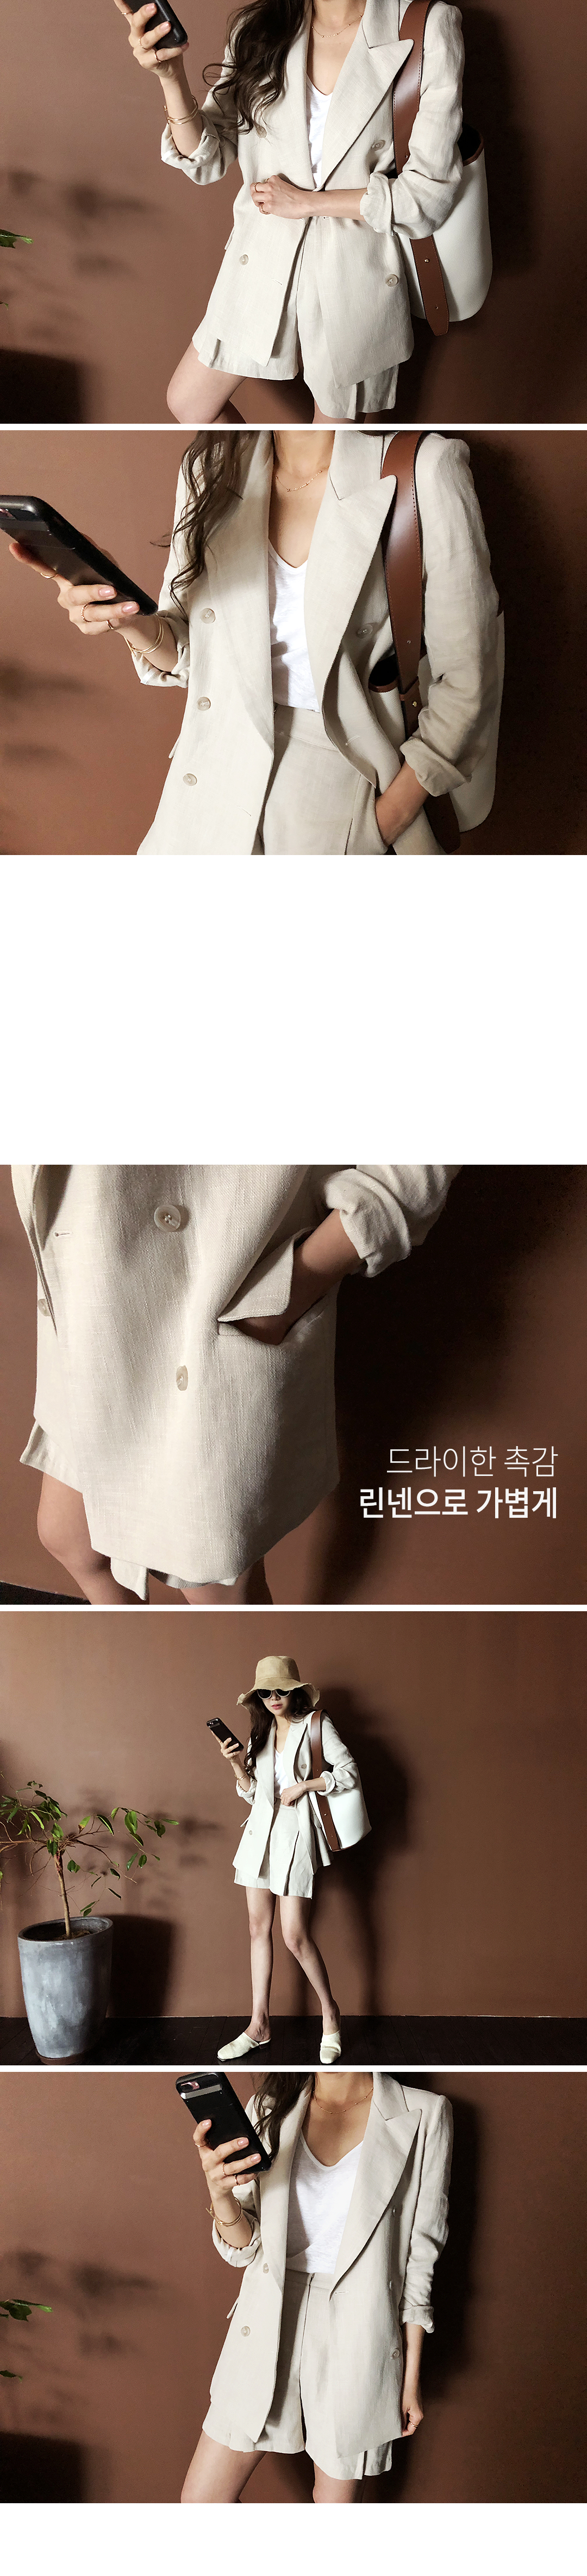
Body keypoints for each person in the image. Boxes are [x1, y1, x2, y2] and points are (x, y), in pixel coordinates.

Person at [9, 428, 501, 858]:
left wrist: (380, 824)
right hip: (210, 780)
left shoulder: (424, 469)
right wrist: (123, 615)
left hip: (337, 788)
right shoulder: (210, 468)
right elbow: (193, 655)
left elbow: (468, 680)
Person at [10, 1163, 457, 1604]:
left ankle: (255, 1658)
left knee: (211, 1583)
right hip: (87, 1286)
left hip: (206, 1295)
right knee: (70, 1537)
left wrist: (285, 1297)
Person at [113, 0, 465, 425]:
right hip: (263, 255)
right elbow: (207, 159)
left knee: (330, 442)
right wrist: (171, 76)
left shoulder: (426, 25)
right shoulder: (259, 25)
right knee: (189, 402)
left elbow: (429, 194)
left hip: (354, 267)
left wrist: (308, 203)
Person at [182, 2065, 453, 2500]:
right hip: (268, 2319)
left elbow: (421, 2255)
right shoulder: (269, 2107)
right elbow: (245, 2249)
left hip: (361, 2329)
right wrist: (219, 2193)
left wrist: (410, 2376)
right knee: (201, 2501)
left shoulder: (425, 2112)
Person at [211, 1655, 370, 2062]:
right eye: (265, 1692)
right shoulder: (260, 1733)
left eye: (281, 1690)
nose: (274, 1698)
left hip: (297, 1833)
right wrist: (236, 1765)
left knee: (294, 1935)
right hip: (258, 1835)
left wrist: (306, 1786)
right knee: (256, 1928)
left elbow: (349, 1771)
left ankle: (330, 2015)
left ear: (295, 1691)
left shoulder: (316, 1724)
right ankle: (259, 2024)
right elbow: (254, 1794)